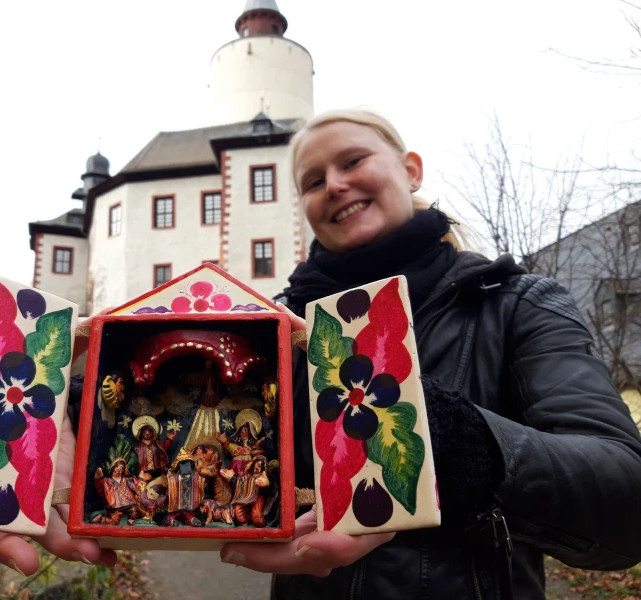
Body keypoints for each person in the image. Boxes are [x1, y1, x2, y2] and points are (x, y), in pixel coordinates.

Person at [216, 108, 641, 598]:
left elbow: (624, 503)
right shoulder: (280, 331)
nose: (334, 185)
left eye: (352, 161)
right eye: (313, 181)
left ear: (411, 170)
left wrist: (456, 444)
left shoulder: (514, 303)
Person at [92, 459, 141, 525]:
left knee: (136, 511)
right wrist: (98, 477)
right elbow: (101, 489)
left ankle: (131, 520)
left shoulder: (128, 480)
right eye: (117, 467)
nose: (119, 470)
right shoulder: (107, 481)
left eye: (122, 468)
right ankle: (102, 519)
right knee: (116, 520)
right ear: (113, 468)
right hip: (115, 506)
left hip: (129, 504)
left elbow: (137, 485)